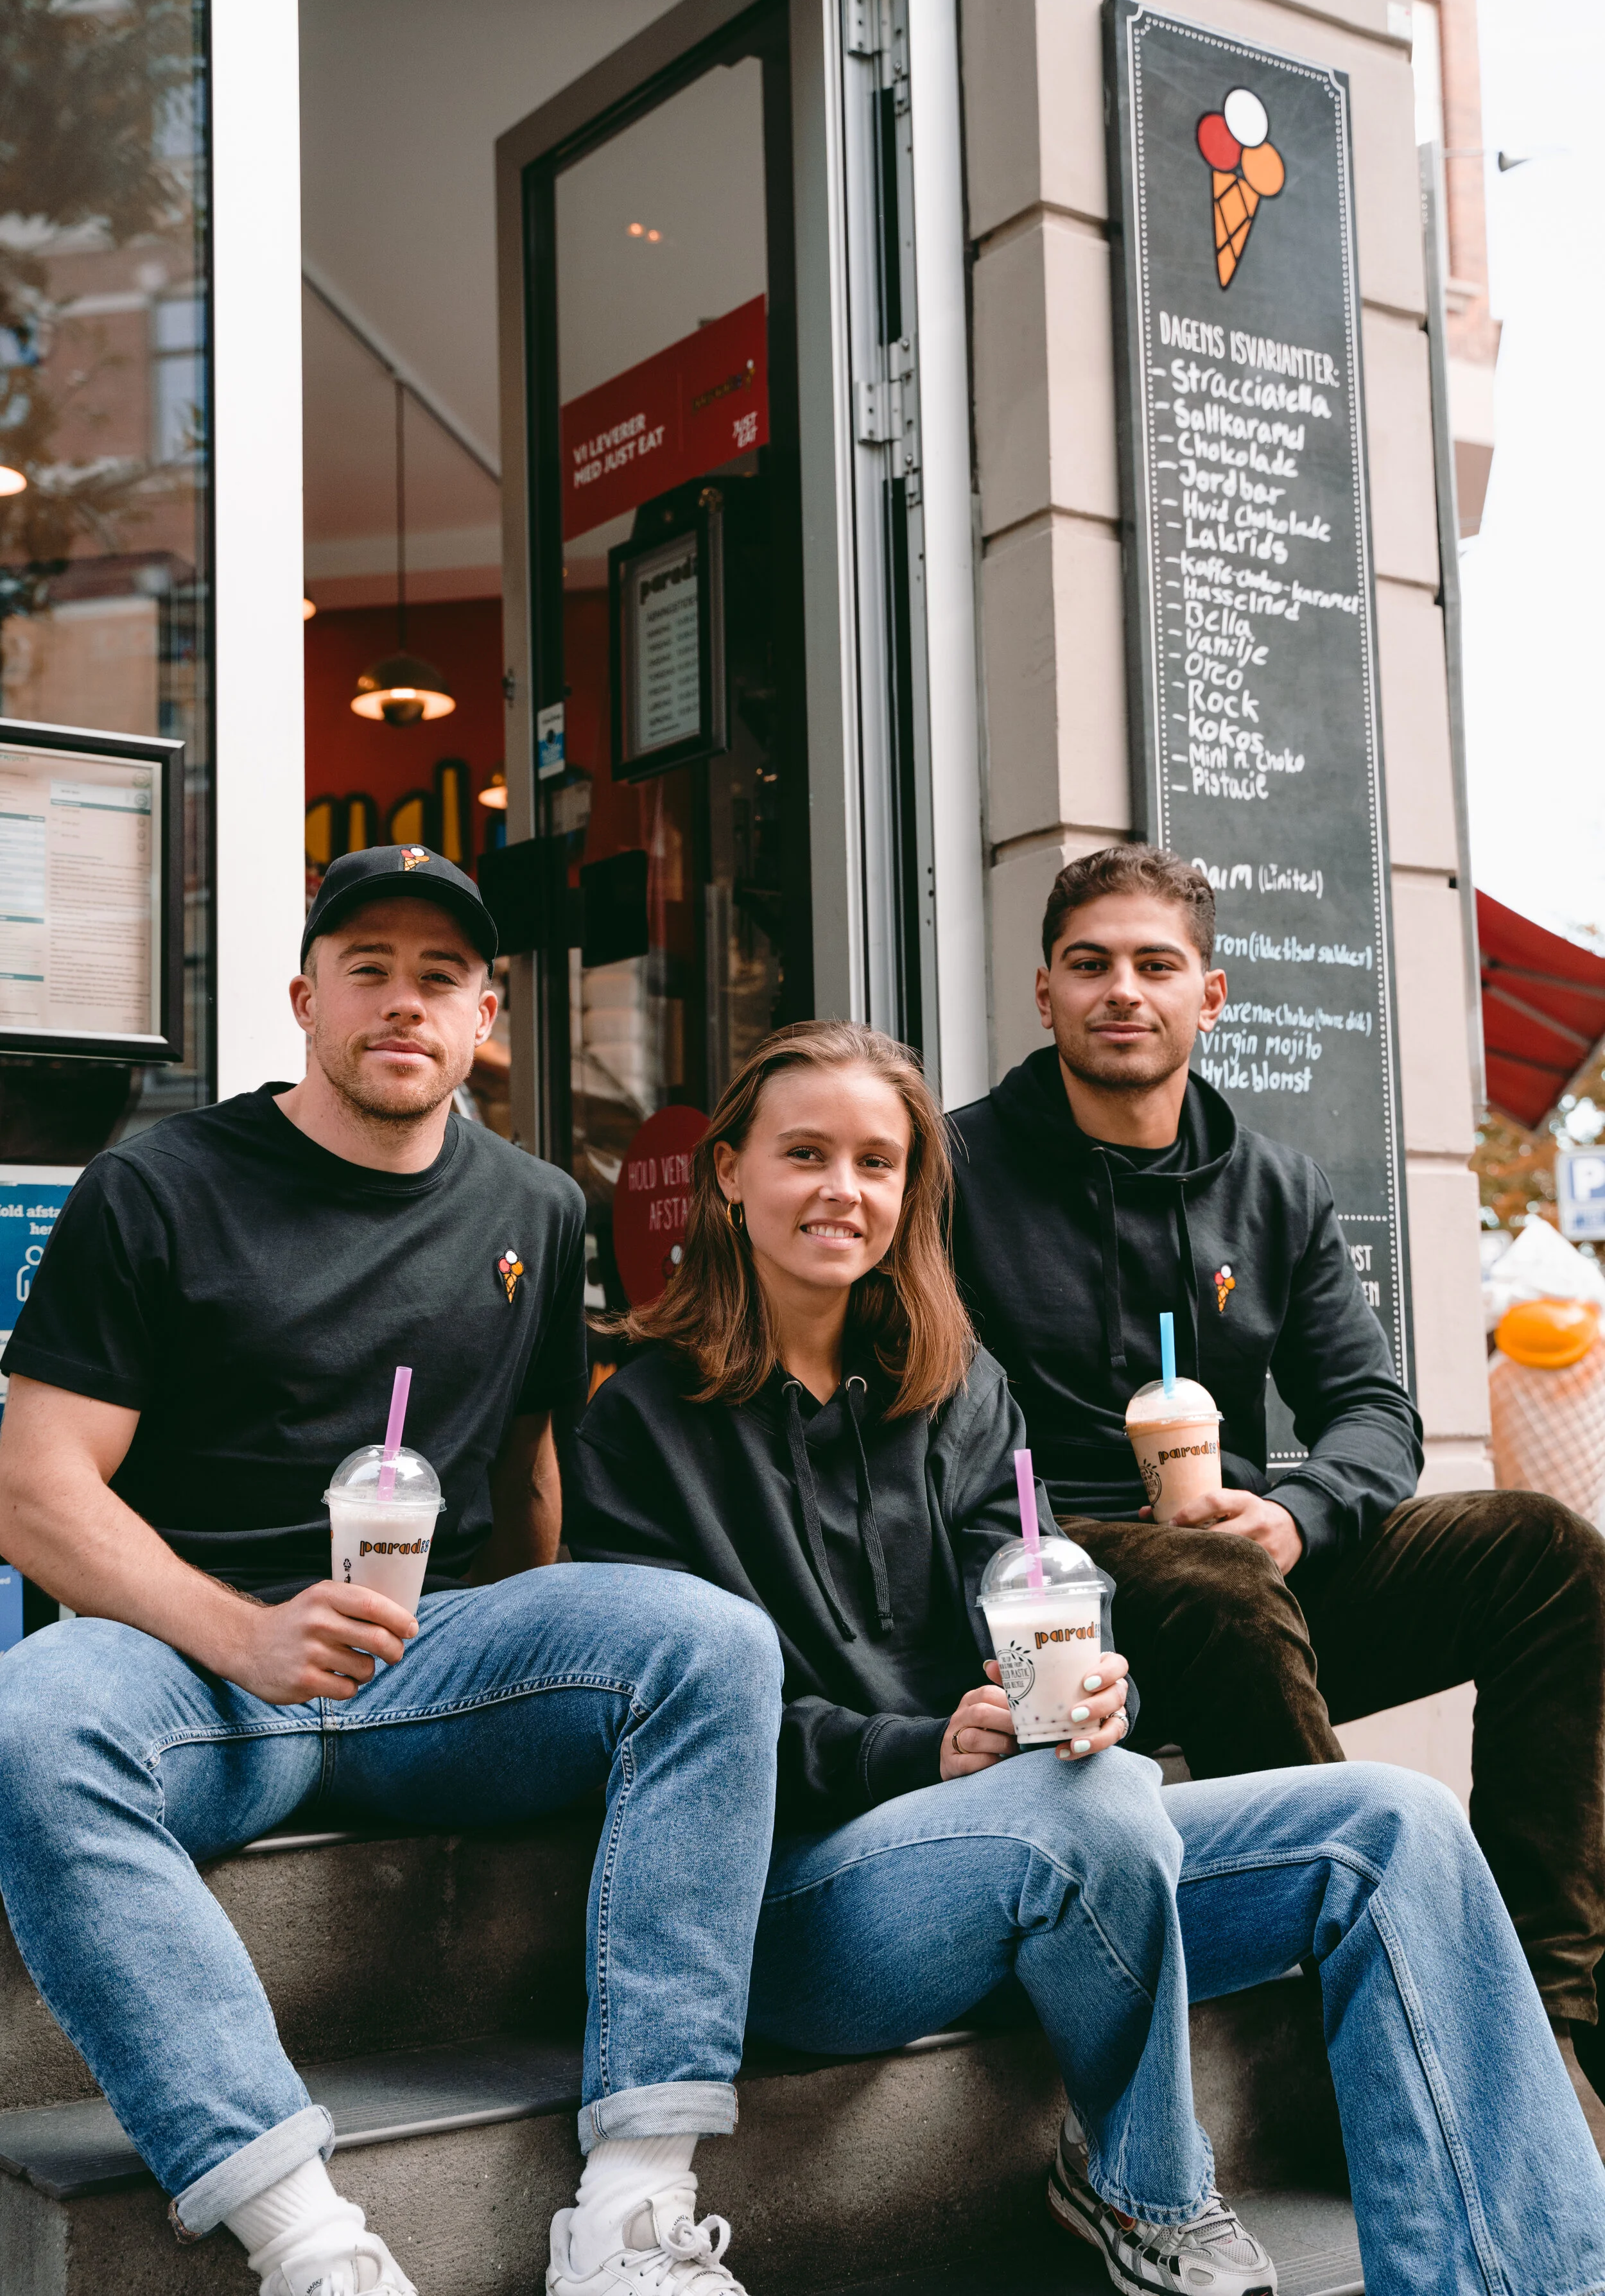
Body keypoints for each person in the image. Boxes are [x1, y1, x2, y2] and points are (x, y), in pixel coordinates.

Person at [566, 1019, 1605, 2296]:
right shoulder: (634, 1424)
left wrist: (1077, 1684)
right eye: (805, 1154)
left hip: (1043, 1859)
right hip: (804, 1910)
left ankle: (1521, 2277)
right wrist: (918, 1748)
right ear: (727, 1172)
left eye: (877, 1164)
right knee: (1093, 1805)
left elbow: (1019, 1607)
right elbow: (669, 1722)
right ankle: (1139, 2190)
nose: (843, 1189)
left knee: (1395, 1822)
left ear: (909, 1195)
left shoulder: (957, 1396)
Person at [0, 844, 785, 2296]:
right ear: (305, 998)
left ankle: (630, 2219)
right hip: (200, 1673)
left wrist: (544, 1674)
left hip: (434, 1668)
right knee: (32, 1719)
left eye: (442, 979)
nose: (404, 1005)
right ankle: (310, 2246)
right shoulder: (157, 1187)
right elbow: (35, 1493)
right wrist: (242, 1637)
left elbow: (529, 1477)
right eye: (370, 971)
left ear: (486, 1018)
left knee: (711, 1641)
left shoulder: (537, 1210)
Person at [946, 839, 1605, 2096]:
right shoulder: (955, 1172)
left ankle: (1538, 2004)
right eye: (1088, 966)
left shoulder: (1274, 1187)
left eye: (1154, 964)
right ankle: (1359, 2018)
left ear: (1211, 994)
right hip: (1054, 1598)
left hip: (1237, 1575)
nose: (1120, 992)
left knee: (1543, 1552)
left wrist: (1296, 1512)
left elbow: (1368, 1410)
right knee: (1216, 1585)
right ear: (1043, 994)